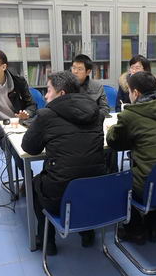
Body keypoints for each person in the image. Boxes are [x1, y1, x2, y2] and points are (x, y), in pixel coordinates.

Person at [21, 71, 105, 256]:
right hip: (95, 192)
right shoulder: (96, 113)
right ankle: (87, 232)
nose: (45, 96)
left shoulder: (46, 115)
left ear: (62, 93)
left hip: (60, 196)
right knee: (84, 171)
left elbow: (29, 148)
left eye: (49, 90)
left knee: (35, 184)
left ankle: (47, 240)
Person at [106, 71, 156, 243]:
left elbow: (114, 142)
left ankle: (135, 230)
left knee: (120, 181)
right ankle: (154, 228)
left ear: (135, 93)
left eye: (129, 91)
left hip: (151, 185)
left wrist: (112, 128)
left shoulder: (130, 114)